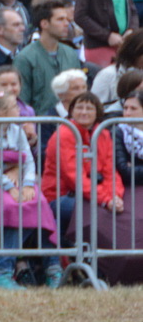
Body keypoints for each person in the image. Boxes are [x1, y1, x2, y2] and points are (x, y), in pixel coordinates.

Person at [0, 89, 58, 290]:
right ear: (2, 113)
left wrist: (29, 184)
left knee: (40, 204)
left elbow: (29, 160)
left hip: (21, 181)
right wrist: (8, 185)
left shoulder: (17, 131)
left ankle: (53, 267)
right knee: (13, 207)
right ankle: (2, 271)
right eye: (15, 106)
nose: (20, 110)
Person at [42, 91, 123, 239]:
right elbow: (73, 177)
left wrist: (114, 195)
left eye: (89, 108)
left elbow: (110, 171)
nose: (84, 112)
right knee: (95, 211)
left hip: (88, 194)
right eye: (79, 107)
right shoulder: (64, 134)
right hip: (60, 195)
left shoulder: (103, 134)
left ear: (97, 112)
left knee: (121, 210)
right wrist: (105, 200)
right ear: (71, 111)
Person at [15, 0, 82, 117]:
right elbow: (22, 100)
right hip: (40, 126)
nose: (67, 23)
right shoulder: (25, 58)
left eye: (67, 19)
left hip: (71, 125)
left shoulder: (70, 54)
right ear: (44, 24)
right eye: (60, 19)